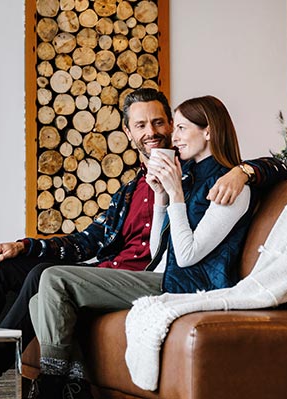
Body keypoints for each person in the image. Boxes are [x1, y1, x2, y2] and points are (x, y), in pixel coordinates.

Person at [0, 89, 287, 399]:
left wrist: (246, 171)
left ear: (174, 126)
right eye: (141, 125)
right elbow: (88, 241)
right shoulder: (130, 190)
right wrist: (23, 245)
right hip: (110, 268)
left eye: (160, 122)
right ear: (128, 133)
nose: (153, 131)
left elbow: (279, 164)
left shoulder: (193, 170)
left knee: (44, 278)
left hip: (147, 275)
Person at [27, 95, 259, 399]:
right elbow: (156, 251)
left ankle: (52, 384)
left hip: (190, 285)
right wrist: (161, 197)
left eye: (182, 128)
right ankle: (76, 385)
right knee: (39, 302)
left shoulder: (231, 187)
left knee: (53, 279)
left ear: (209, 131)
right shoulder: (189, 176)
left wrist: (176, 193)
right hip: (163, 275)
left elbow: (188, 257)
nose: (173, 137)